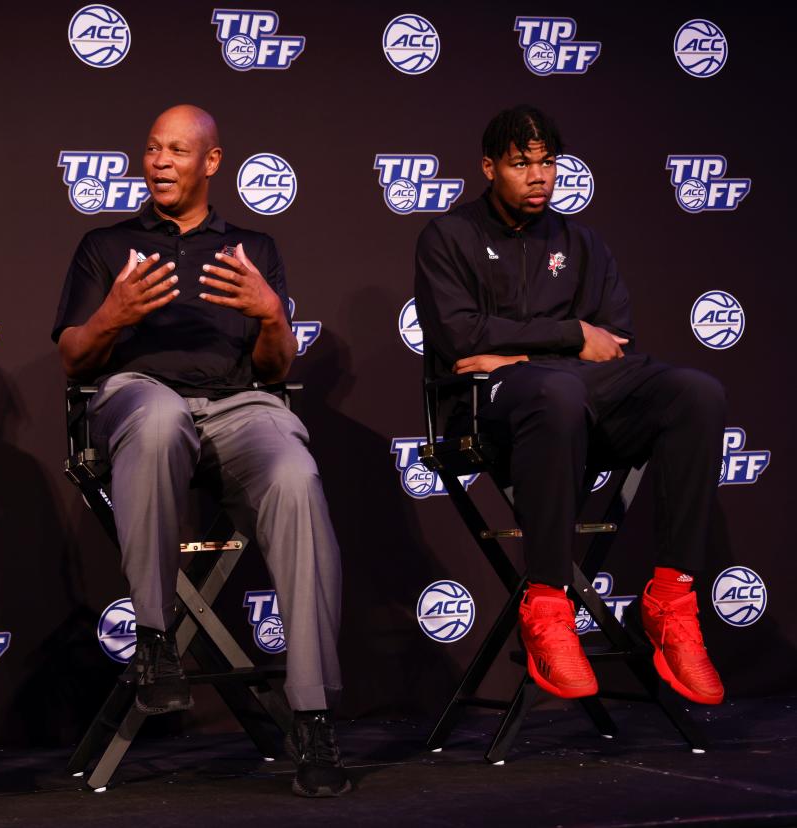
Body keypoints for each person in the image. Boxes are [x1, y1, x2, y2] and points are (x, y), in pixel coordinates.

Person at [52, 105, 349, 798]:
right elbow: (72, 357)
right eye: (152, 149)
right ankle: (155, 643)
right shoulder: (106, 245)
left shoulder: (253, 247)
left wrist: (272, 313)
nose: (159, 162)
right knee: (157, 422)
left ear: (210, 163)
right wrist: (114, 316)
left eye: (177, 151)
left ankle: (311, 714)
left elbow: (274, 370)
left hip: (240, 405)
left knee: (299, 476)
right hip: (139, 393)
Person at [414, 104, 726, 705]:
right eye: (520, 164)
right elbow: (458, 337)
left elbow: (613, 342)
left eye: (548, 162)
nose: (538, 176)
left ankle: (672, 600)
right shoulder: (448, 237)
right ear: (488, 167)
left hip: (578, 401)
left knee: (696, 392)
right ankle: (549, 605)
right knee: (555, 389)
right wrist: (564, 338)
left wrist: (519, 353)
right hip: (485, 412)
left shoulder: (581, 242)